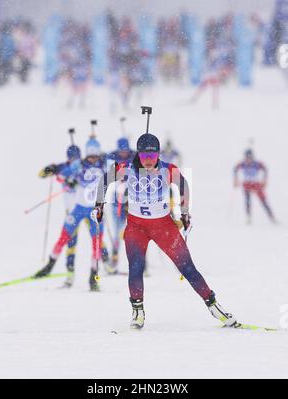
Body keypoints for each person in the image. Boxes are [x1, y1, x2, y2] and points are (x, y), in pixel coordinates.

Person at [93, 132, 237, 329]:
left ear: (159, 154)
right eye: (145, 157)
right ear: (139, 155)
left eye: (153, 157)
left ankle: (214, 306)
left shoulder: (168, 169)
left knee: (187, 268)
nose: (149, 162)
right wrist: (99, 205)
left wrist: (185, 212)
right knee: (136, 269)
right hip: (136, 228)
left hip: (164, 227)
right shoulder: (126, 169)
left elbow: (183, 185)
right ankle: (137, 311)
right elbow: (104, 180)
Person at [35, 137, 109, 291]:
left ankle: (93, 278)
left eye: (95, 155)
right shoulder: (79, 164)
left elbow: (121, 172)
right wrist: (59, 174)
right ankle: (49, 266)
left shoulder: (105, 163)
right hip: (79, 209)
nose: (93, 159)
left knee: (97, 244)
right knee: (64, 238)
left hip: (96, 210)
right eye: (90, 155)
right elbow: (62, 174)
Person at [39, 144, 82, 280]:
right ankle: (69, 272)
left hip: (87, 208)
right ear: (67, 158)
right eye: (71, 158)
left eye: (77, 158)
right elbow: (41, 175)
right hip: (71, 211)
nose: (74, 160)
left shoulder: (84, 166)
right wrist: (48, 169)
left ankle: (106, 264)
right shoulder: (63, 167)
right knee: (69, 240)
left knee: (97, 238)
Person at [105, 137, 136, 273]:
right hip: (116, 201)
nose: (123, 153)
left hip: (131, 200)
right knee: (117, 232)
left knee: (136, 233)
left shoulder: (134, 157)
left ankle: (140, 263)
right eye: (121, 151)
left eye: (125, 151)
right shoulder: (112, 158)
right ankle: (114, 261)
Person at [234, 149, 276, 224]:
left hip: (256, 184)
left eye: (250, 157)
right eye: (247, 157)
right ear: (245, 157)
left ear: (253, 157)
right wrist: (235, 180)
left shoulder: (257, 164)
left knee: (263, 200)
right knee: (247, 200)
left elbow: (265, 169)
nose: (248, 159)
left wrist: (265, 180)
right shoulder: (242, 164)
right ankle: (248, 217)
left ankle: (271, 217)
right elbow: (235, 169)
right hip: (247, 183)